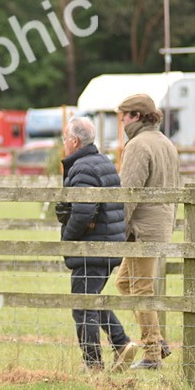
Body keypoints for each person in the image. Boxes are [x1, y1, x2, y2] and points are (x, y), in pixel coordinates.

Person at [57, 117, 138, 372]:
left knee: (83, 306)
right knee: (92, 299)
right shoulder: (103, 162)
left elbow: (82, 211)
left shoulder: (82, 168)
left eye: (64, 139)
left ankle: (93, 363)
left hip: (91, 247)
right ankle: (121, 343)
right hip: (109, 244)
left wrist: (68, 238)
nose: (64, 144)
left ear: (74, 141)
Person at [115, 93, 181, 370]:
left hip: (142, 228)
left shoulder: (139, 145)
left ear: (137, 116)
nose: (121, 121)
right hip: (161, 222)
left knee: (141, 288)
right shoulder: (166, 143)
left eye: (125, 115)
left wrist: (117, 227)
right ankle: (158, 340)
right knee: (125, 284)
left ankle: (152, 353)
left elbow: (128, 192)